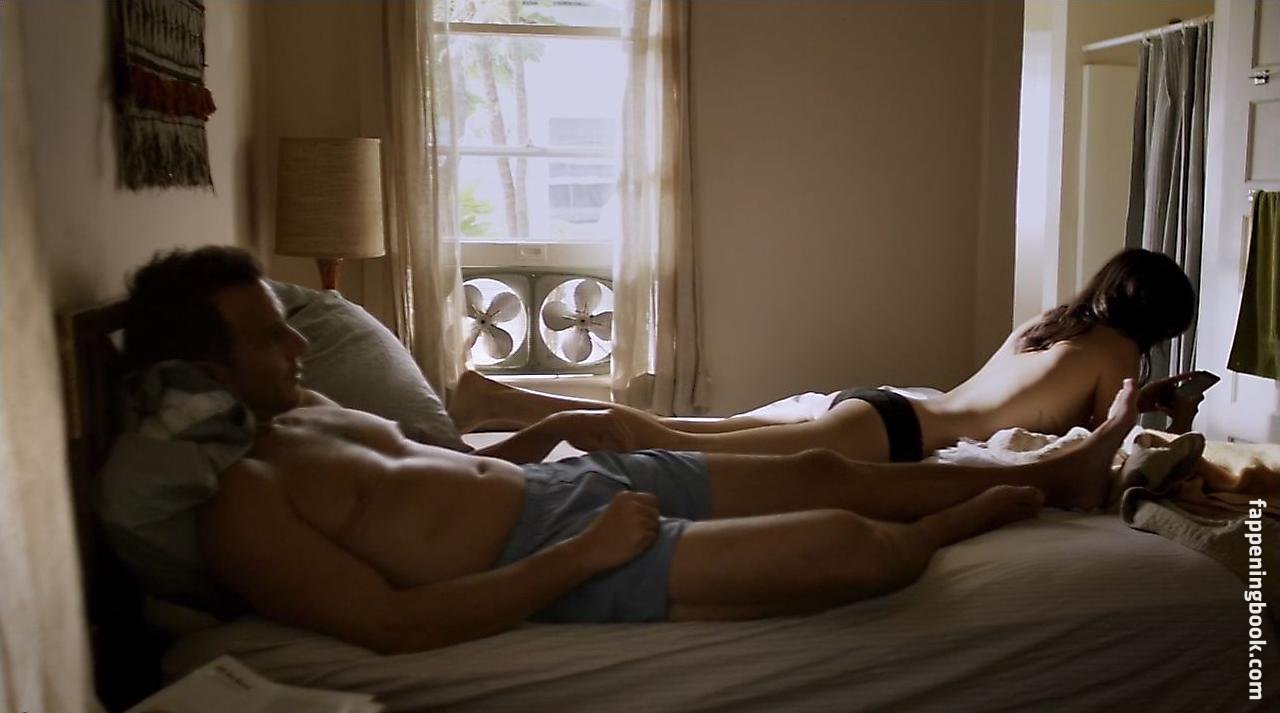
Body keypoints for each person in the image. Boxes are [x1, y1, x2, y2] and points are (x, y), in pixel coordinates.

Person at [120, 246, 1138, 653]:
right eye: (268, 338)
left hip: (566, 482)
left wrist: (545, 433)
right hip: (549, 548)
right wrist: (582, 554)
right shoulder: (242, 503)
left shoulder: (304, 412)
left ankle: (1054, 472)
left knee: (823, 469)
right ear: (204, 369)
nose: (299, 346)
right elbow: (389, 622)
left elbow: (433, 475)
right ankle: (975, 510)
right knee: (847, 542)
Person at [450, 248, 1200, 463]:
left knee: (695, 432)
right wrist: (1175, 412)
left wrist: (1146, 399)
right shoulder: (1119, 353)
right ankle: (520, 422)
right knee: (677, 443)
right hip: (896, 432)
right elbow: (1105, 449)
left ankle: (501, 399)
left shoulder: (1052, 325)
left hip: (888, 407)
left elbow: (1038, 400)